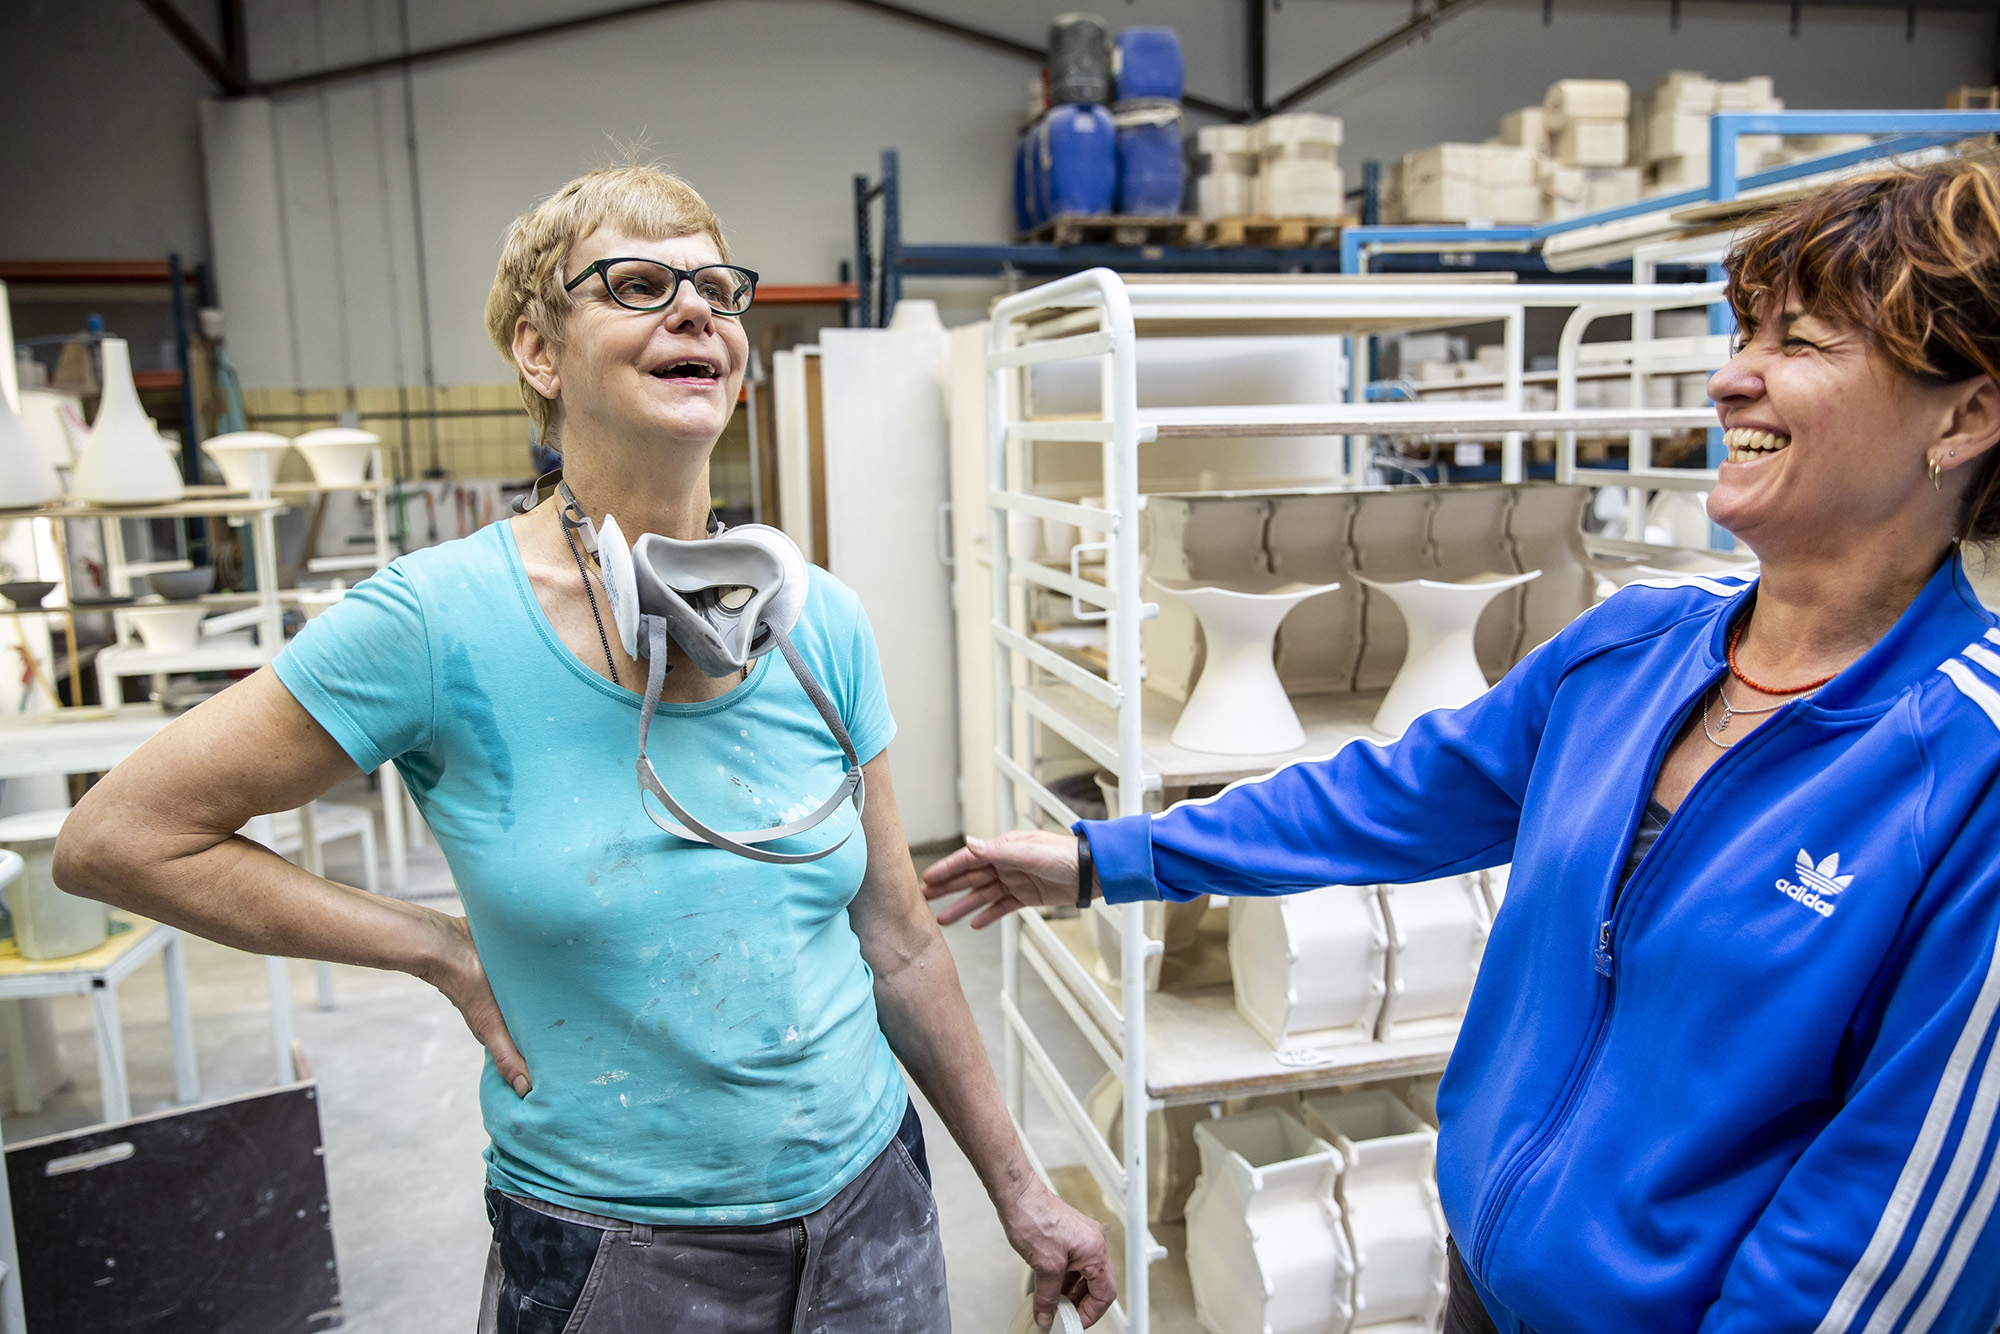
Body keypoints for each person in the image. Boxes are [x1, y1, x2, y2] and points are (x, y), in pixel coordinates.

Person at [924, 157, 2000, 1334]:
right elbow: (1390, 794)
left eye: (1798, 342)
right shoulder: (1637, 647)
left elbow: (1880, 1233)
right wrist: (1101, 858)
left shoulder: (1966, 767)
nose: (1727, 376)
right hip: (1481, 1284)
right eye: (1739, 331)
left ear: (1965, 415)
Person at [55, 164, 1112, 1333]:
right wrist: (434, 946)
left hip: (872, 1213)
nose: (696, 309)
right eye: (639, 283)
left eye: (716, 287)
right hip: (618, 1254)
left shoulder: (819, 620)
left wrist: (1021, 1188)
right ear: (539, 352)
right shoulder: (435, 621)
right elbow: (118, 836)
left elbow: (900, 942)